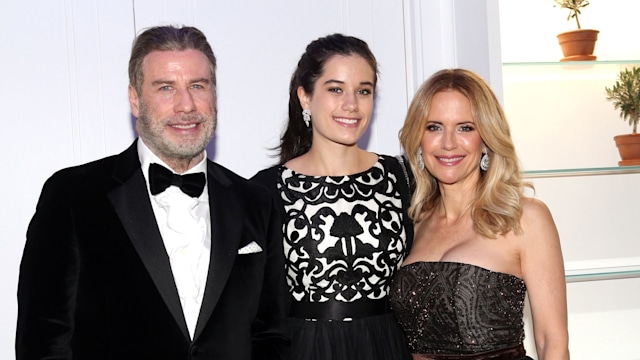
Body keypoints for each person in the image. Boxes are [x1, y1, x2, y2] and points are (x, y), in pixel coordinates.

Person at [16, 25, 287, 360]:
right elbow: (44, 339)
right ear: (135, 99)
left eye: (198, 86)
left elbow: (270, 334)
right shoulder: (73, 196)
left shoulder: (255, 202)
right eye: (166, 88)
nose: (186, 105)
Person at [251, 33, 413, 360]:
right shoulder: (266, 190)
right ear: (305, 97)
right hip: (304, 351)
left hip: (388, 348)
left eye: (363, 91)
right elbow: (252, 308)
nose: (351, 104)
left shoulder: (403, 177)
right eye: (335, 89)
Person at [390, 68, 570, 360]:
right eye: (434, 127)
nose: (448, 143)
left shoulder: (525, 218)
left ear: (486, 138)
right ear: (418, 138)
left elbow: (553, 342)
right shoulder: (415, 221)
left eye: (465, 128)